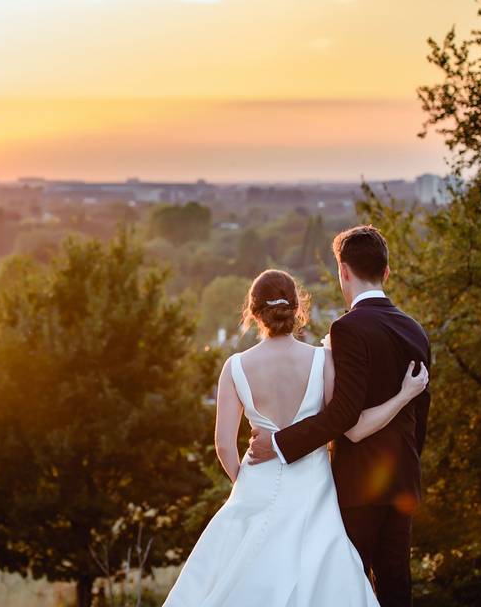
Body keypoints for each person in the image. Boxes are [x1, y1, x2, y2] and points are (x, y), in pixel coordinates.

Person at [162, 265, 428, 607]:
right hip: (313, 485)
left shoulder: (235, 367)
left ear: (253, 312)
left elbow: (224, 444)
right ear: (297, 309)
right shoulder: (323, 360)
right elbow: (348, 424)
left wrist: (243, 480)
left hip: (257, 480)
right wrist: (405, 395)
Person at [246, 226, 431, 606]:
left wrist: (279, 444)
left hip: (357, 485)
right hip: (402, 482)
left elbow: (344, 414)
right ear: (387, 272)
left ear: (343, 271)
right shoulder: (416, 331)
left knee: (349, 586)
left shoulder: (347, 328)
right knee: (397, 585)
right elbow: (419, 417)